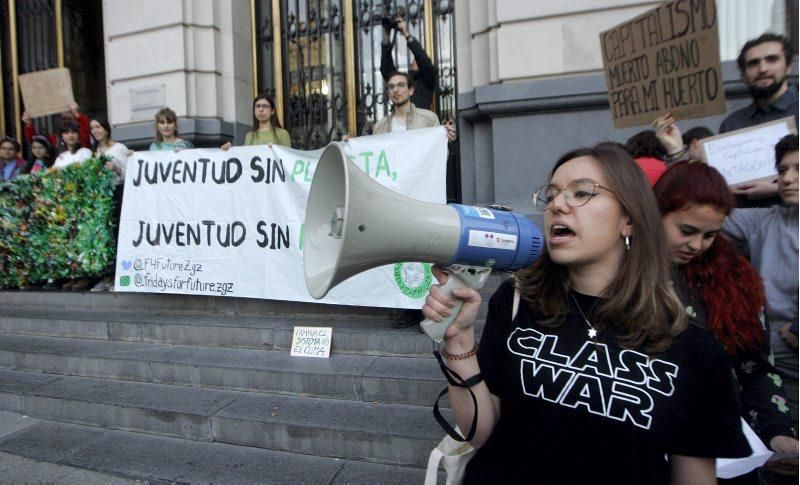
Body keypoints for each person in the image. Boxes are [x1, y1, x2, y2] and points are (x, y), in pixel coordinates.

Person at [422, 143, 750, 483]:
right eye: (551, 196)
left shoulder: (693, 346)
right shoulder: (517, 300)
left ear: (629, 219)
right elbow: (481, 432)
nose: (558, 205)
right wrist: (459, 342)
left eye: (581, 193)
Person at [654, 161, 798, 481]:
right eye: (687, 231)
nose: (697, 245)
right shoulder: (614, 272)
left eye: (710, 235)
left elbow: (756, 367)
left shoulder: (734, 280)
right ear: (656, 213)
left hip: (725, 456)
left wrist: (777, 432)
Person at [723, 134, 799, 433]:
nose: (788, 179)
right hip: (776, 367)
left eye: (798, 169)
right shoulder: (766, 220)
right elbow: (692, 210)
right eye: (782, 171)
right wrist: (722, 190)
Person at [719, 33, 797, 205]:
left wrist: (778, 189)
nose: (763, 69)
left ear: (789, 66)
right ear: (743, 75)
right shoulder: (732, 123)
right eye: (753, 63)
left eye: (772, 59)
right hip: (742, 226)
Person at [89, 116, 130, 292]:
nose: (96, 130)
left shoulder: (119, 148)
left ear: (106, 128)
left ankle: (119, 275)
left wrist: (116, 168)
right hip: (101, 198)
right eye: (92, 128)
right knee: (105, 237)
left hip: (118, 193)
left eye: (98, 126)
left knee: (118, 233)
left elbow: (132, 173)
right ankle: (106, 275)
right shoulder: (94, 152)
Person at [373, 71, 455, 140]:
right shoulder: (379, 128)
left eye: (400, 85)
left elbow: (438, 155)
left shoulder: (429, 119)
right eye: (391, 87)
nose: (395, 90)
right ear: (388, 93)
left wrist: (444, 139)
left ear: (411, 90)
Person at [380, 16, 437, 110]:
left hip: (420, 122)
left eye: (416, 60)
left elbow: (422, 59)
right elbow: (386, 70)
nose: (414, 62)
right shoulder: (404, 80)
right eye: (413, 61)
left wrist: (406, 33)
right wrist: (387, 35)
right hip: (400, 121)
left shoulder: (427, 80)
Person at [221, 94, 291, 150]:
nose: (261, 109)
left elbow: (287, 158)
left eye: (265, 106)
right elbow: (245, 159)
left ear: (272, 111)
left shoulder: (282, 134)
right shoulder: (250, 136)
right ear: (254, 111)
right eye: (258, 106)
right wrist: (229, 151)